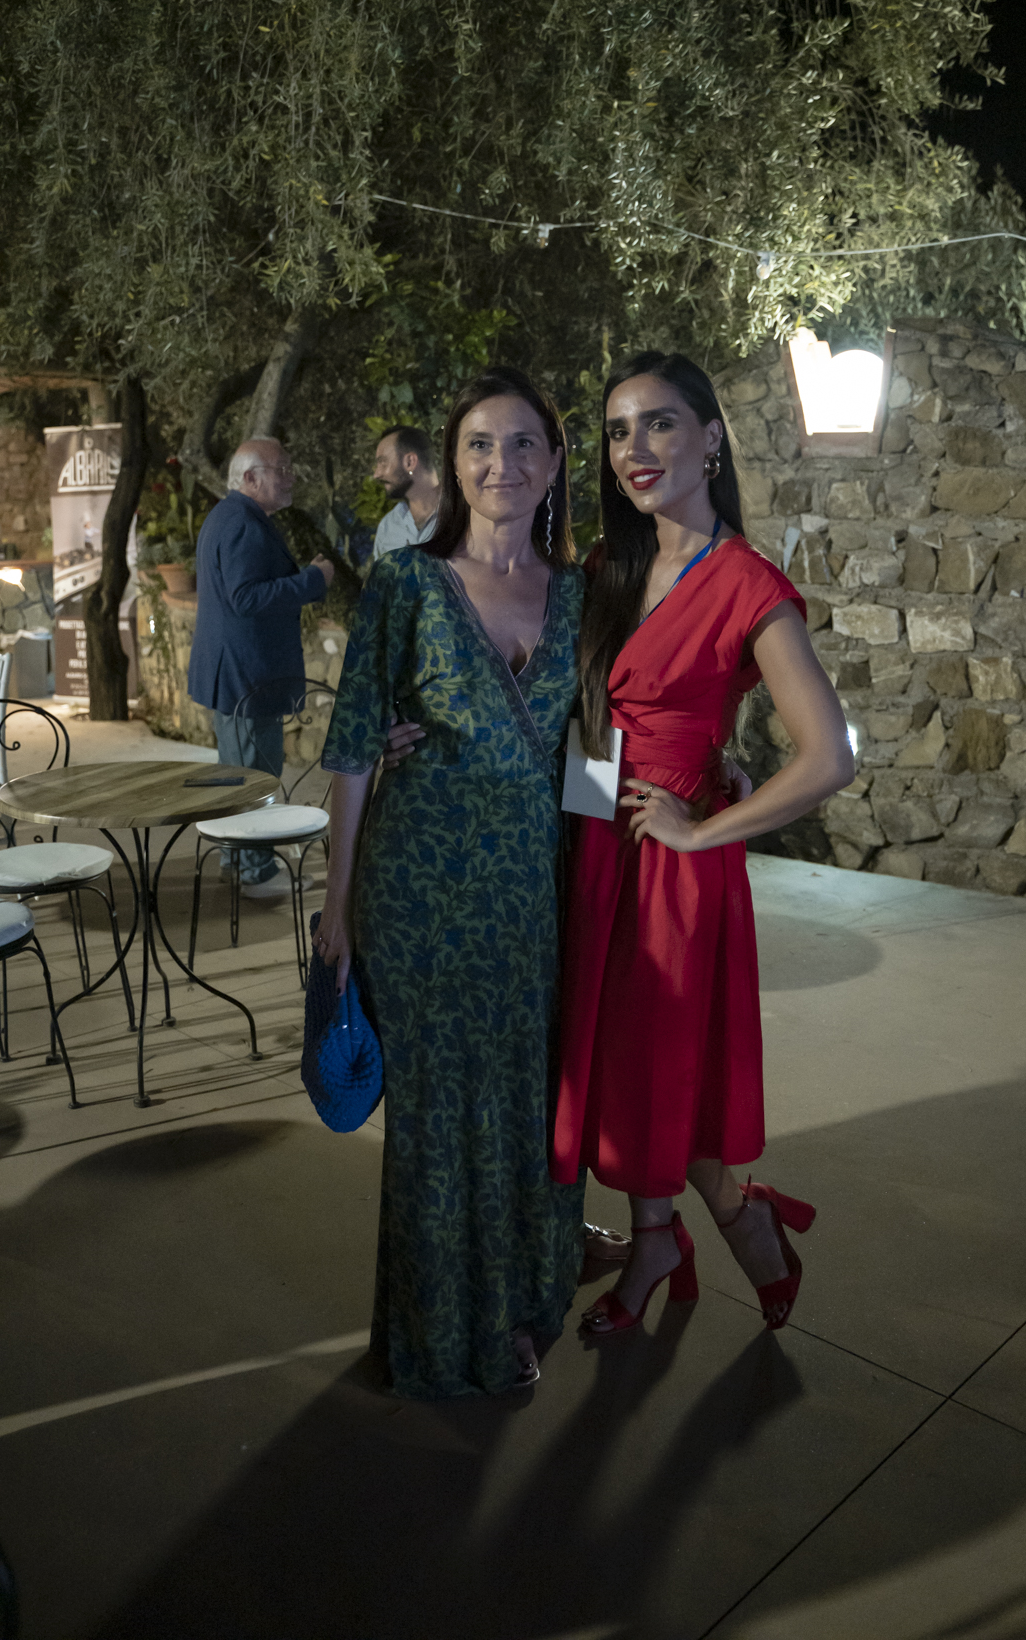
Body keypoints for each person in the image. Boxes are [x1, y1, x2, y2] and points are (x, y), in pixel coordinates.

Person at [550, 352, 855, 1335]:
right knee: (617, 1065)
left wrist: (701, 829)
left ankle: (725, 1220)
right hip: (596, 842)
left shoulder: (745, 583)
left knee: (661, 1061)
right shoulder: (608, 565)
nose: (633, 447)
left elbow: (829, 756)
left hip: (672, 865)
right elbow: (579, 710)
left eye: (659, 423)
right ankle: (662, 1238)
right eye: (617, 430)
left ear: (710, 438)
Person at [315, 368, 588, 1398]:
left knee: (524, 1105)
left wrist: (704, 779)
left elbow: (600, 747)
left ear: (553, 464)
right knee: (434, 1121)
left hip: (529, 893)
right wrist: (336, 905)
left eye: (521, 444)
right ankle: (435, 1333)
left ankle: (517, 1309)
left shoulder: (581, 596)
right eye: (479, 443)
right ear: (451, 459)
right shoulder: (404, 584)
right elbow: (351, 747)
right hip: (416, 889)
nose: (499, 464)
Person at [187, 437, 335, 898]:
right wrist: (313, 580)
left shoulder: (230, 516)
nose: (291, 477)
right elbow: (245, 598)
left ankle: (237, 862)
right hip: (248, 677)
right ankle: (256, 873)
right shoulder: (242, 522)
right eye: (281, 469)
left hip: (236, 674)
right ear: (250, 477)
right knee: (255, 777)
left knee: (236, 775)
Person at [371, 425, 440, 559]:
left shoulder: (465, 514)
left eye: (383, 463)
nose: (376, 475)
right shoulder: (388, 527)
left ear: (410, 462)